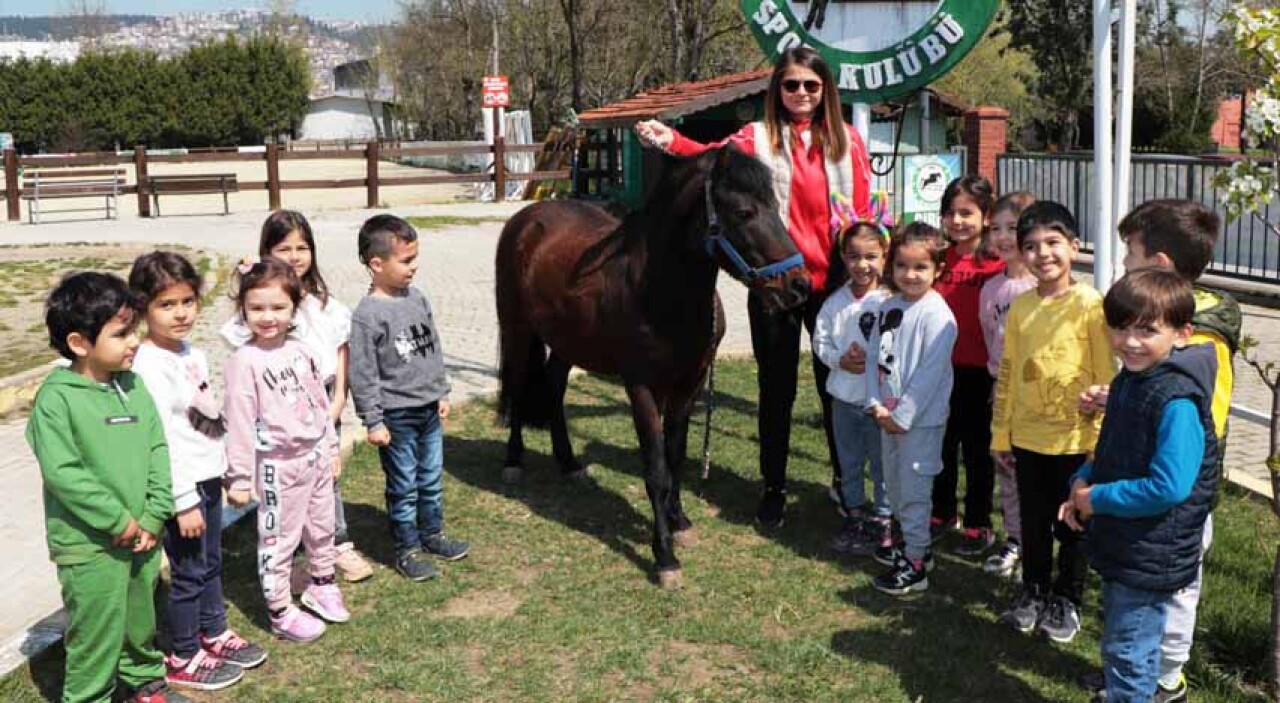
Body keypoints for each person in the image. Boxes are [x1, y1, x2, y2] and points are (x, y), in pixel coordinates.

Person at [634, 46, 873, 528]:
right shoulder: (757, 137)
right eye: (791, 85)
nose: (801, 93)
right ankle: (774, 487)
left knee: (840, 388)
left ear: (825, 90)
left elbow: (864, 213)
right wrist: (670, 139)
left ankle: (846, 485)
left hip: (834, 284)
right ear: (777, 91)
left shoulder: (847, 140)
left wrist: (870, 273)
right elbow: (711, 159)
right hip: (776, 283)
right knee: (776, 389)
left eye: (811, 84)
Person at [1079, 199, 1241, 702]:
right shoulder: (1144, 366)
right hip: (1138, 518)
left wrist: (1102, 495)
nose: (1124, 263)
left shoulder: (1192, 362)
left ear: (1159, 263)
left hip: (1168, 518)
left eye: (1130, 253)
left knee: (1159, 618)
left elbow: (1184, 454)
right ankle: (1140, 679)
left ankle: (1163, 681)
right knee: (1133, 630)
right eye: (1122, 329)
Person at [26, 272, 190, 703]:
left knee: (141, 621)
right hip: (91, 546)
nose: (134, 341)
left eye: (133, 329)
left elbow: (157, 446)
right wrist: (118, 521)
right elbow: (65, 474)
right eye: (121, 334)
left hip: (143, 536)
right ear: (80, 344)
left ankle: (144, 683)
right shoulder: (56, 399)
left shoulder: (132, 385)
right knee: (95, 634)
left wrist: (155, 514)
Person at [1061, 269, 1218, 703]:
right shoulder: (1134, 379)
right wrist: (1083, 481)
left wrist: (1098, 498)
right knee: (1127, 641)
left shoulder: (1177, 401)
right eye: (1121, 327)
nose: (1130, 341)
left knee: (1128, 648)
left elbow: (1168, 487)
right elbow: (1116, 448)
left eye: (1147, 330)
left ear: (1182, 333)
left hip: (1152, 545)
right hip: (1130, 540)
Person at [129, 252, 265, 692]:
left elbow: (206, 414)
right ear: (142, 308)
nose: (181, 313)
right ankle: (183, 654)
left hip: (207, 476)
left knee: (210, 562)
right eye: (167, 305)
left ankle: (214, 630)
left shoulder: (192, 353)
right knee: (187, 572)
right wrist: (182, 501)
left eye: (187, 301)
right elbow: (163, 441)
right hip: (180, 487)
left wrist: (227, 466)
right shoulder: (148, 365)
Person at [222, 210, 373, 585]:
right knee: (285, 484)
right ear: (265, 251)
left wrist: (337, 400)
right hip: (279, 407)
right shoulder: (264, 304)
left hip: (322, 401)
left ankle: (336, 543)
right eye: (283, 248)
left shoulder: (325, 304)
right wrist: (244, 278)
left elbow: (341, 354)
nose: (294, 256)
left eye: (302, 247)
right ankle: (287, 555)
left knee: (328, 480)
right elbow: (242, 344)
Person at [991, 202, 1114, 644]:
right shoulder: (1022, 308)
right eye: (1030, 246)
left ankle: (1068, 600)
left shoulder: (1091, 306)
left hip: (1076, 443)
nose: (1042, 253)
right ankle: (1034, 591)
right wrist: (1001, 433)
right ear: (1021, 255)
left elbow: (1106, 378)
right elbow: (1007, 373)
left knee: (1073, 527)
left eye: (1052, 242)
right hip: (1027, 439)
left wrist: (1097, 442)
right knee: (1033, 523)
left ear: (1075, 247)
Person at [223, 258, 348, 644]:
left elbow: (318, 402)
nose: (267, 316)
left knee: (323, 525)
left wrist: (330, 447)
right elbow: (238, 424)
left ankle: (321, 583)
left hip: (314, 458)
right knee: (279, 539)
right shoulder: (243, 361)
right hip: (278, 465)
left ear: (294, 307)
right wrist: (240, 477)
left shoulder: (302, 350)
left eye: (278, 307)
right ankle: (279, 610)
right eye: (257, 307)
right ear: (242, 309)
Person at [349, 215, 470, 582]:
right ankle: (407, 549)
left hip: (429, 409)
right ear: (376, 264)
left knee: (430, 478)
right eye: (406, 260)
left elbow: (431, 349)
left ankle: (433, 535)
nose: (413, 267)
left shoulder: (418, 299)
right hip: (396, 417)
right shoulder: (368, 315)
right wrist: (373, 420)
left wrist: (441, 391)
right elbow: (363, 373)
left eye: (415, 258)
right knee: (404, 486)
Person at [863, 222, 958, 596]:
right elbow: (875, 359)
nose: (910, 275)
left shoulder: (939, 317)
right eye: (902, 266)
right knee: (897, 488)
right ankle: (914, 547)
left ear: (939, 270)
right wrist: (875, 403)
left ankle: (915, 563)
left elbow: (928, 376)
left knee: (916, 491)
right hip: (887, 420)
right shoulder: (888, 306)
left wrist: (903, 417)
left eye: (921, 267)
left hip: (920, 424)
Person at [931, 176, 1007, 556]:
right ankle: (942, 512)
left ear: (986, 216)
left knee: (978, 452)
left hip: (981, 374)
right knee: (941, 446)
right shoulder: (936, 261)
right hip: (940, 371)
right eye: (950, 213)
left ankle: (979, 522)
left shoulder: (997, 266)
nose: (957, 220)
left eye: (966, 212)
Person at [812, 218, 891, 555]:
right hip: (843, 399)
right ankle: (855, 513)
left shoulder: (891, 300)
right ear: (844, 258)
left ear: (885, 256)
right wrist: (839, 359)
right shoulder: (834, 303)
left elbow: (899, 345)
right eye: (854, 257)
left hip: (880, 402)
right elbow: (821, 342)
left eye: (871, 256)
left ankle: (885, 518)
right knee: (849, 461)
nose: (863, 265)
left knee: (882, 460)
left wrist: (876, 358)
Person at [977, 192, 1037, 578]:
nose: (1002, 237)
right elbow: (989, 337)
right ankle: (1015, 538)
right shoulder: (990, 289)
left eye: (1012, 228)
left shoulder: (1039, 286)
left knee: (1036, 474)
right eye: (995, 228)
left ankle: (1038, 540)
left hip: (1036, 396)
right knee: (1007, 468)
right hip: (1000, 389)